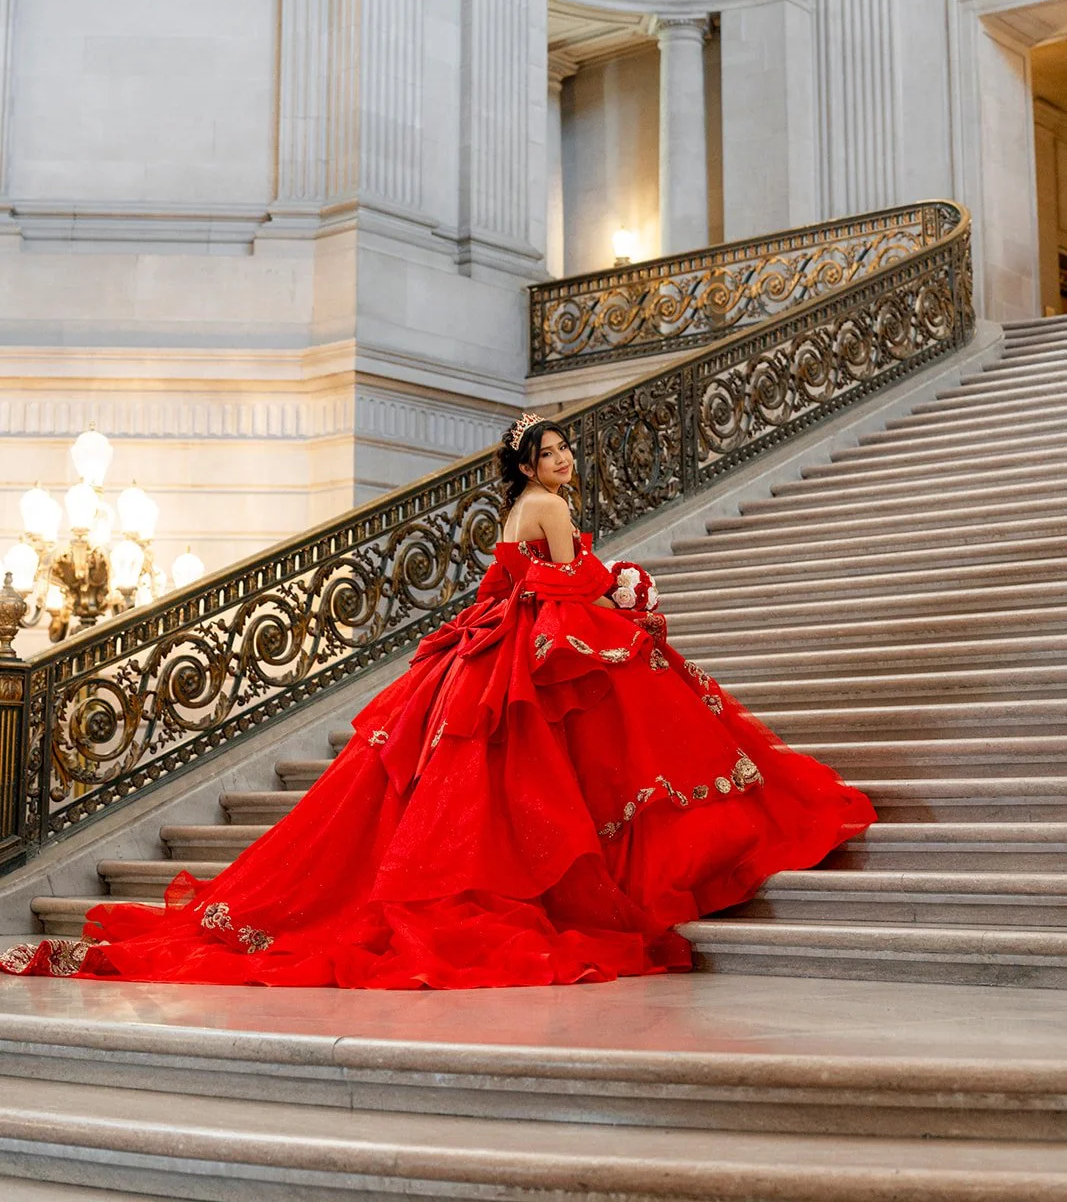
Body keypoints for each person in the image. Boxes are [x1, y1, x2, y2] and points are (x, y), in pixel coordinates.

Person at [0, 414, 874, 988]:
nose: (565, 458)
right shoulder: (549, 509)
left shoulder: (521, 507)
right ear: (530, 466)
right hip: (525, 644)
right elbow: (574, 586)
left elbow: (532, 582)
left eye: (565, 447)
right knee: (638, 720)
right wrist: (632, 598)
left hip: (495, 645)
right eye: (554, 451)